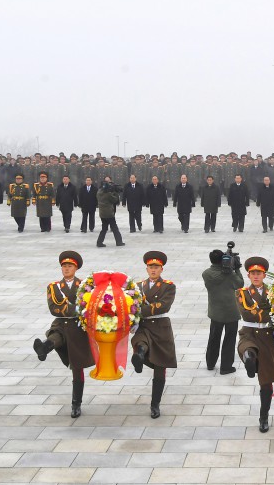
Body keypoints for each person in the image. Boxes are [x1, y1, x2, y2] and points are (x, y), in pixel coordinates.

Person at [32, 251, 94, 418]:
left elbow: (87, 306)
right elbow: (54, 309)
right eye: (64, 266)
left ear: (76, 268)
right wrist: (75, 309)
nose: (66, 269)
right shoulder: (53, 286)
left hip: (78, 327)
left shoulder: (85, 285)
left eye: (69, 266)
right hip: (60, 323)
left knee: (77, 367)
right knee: (55, 337)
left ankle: (76, 404)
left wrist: (74, 310)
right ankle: (44, 348)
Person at [131, 251, 177, 419]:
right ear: (146, 268)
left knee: (160, 367)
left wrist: (138, 310)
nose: (153, 270)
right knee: (140, 342)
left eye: (156, 267)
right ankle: (139, 356)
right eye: (151, 267)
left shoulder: (168, 286)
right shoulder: (136, 286)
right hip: (143, 326)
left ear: (161, 269)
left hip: (160, 326)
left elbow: (163, 306)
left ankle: (155, 404)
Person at [236, 256, 274, 432]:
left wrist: (270, 315)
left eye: (259, 273)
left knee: (266, 382)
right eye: (253, 273)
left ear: (264, 275)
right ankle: (250, 360)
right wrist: (270, 314)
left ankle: (263, 416)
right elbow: (247, 314)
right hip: (249, 333)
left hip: (267, 337)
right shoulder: (242, 292)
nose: (256, 276)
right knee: (248, 351)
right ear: (248, 275)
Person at [203, 249, 244, 374]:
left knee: (214, 337)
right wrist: (236, 268)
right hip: (231, 311)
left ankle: (210, 363)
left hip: (215, 312)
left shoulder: (206, 273)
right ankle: (226, 367)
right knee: (229, 340)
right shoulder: (229, 274)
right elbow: (240, 284)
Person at [96, 177, 125, 247]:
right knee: (115, 228)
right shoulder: (108, 194)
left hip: (102, 214)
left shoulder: (99, 192)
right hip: (109, 214)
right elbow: (115, 200)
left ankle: (99, 242)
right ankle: (119, 242)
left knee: (104, 228)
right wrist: (115, 192)